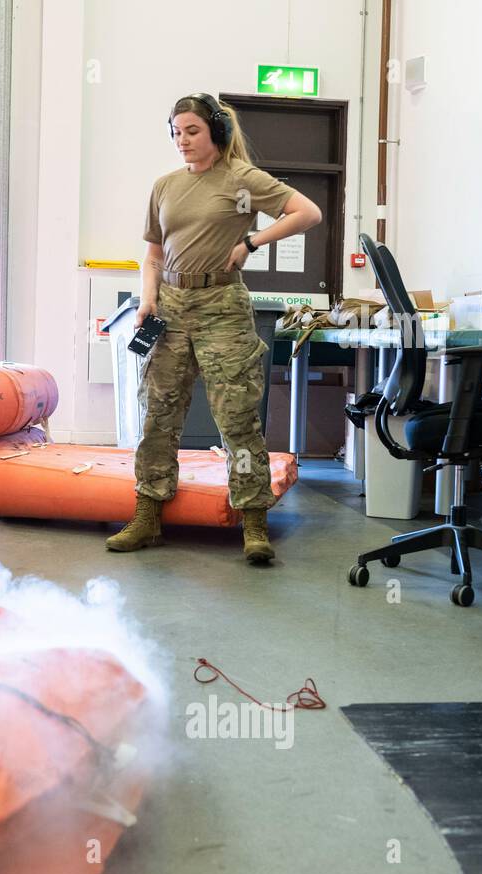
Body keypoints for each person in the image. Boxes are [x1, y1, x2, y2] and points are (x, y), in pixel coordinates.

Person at [107, 93, 322, 563]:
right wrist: (146, 301)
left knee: (237, 419)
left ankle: (253, 522)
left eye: (192, 131)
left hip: (222, 303)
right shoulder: (164, 186)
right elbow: (153, 255)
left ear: (216, 133)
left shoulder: (241, 179)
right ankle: (148, 515)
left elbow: (307, 212)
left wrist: (252, 241)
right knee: (157, 414)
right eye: (175, 132)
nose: (182, 141)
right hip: (170, 304)